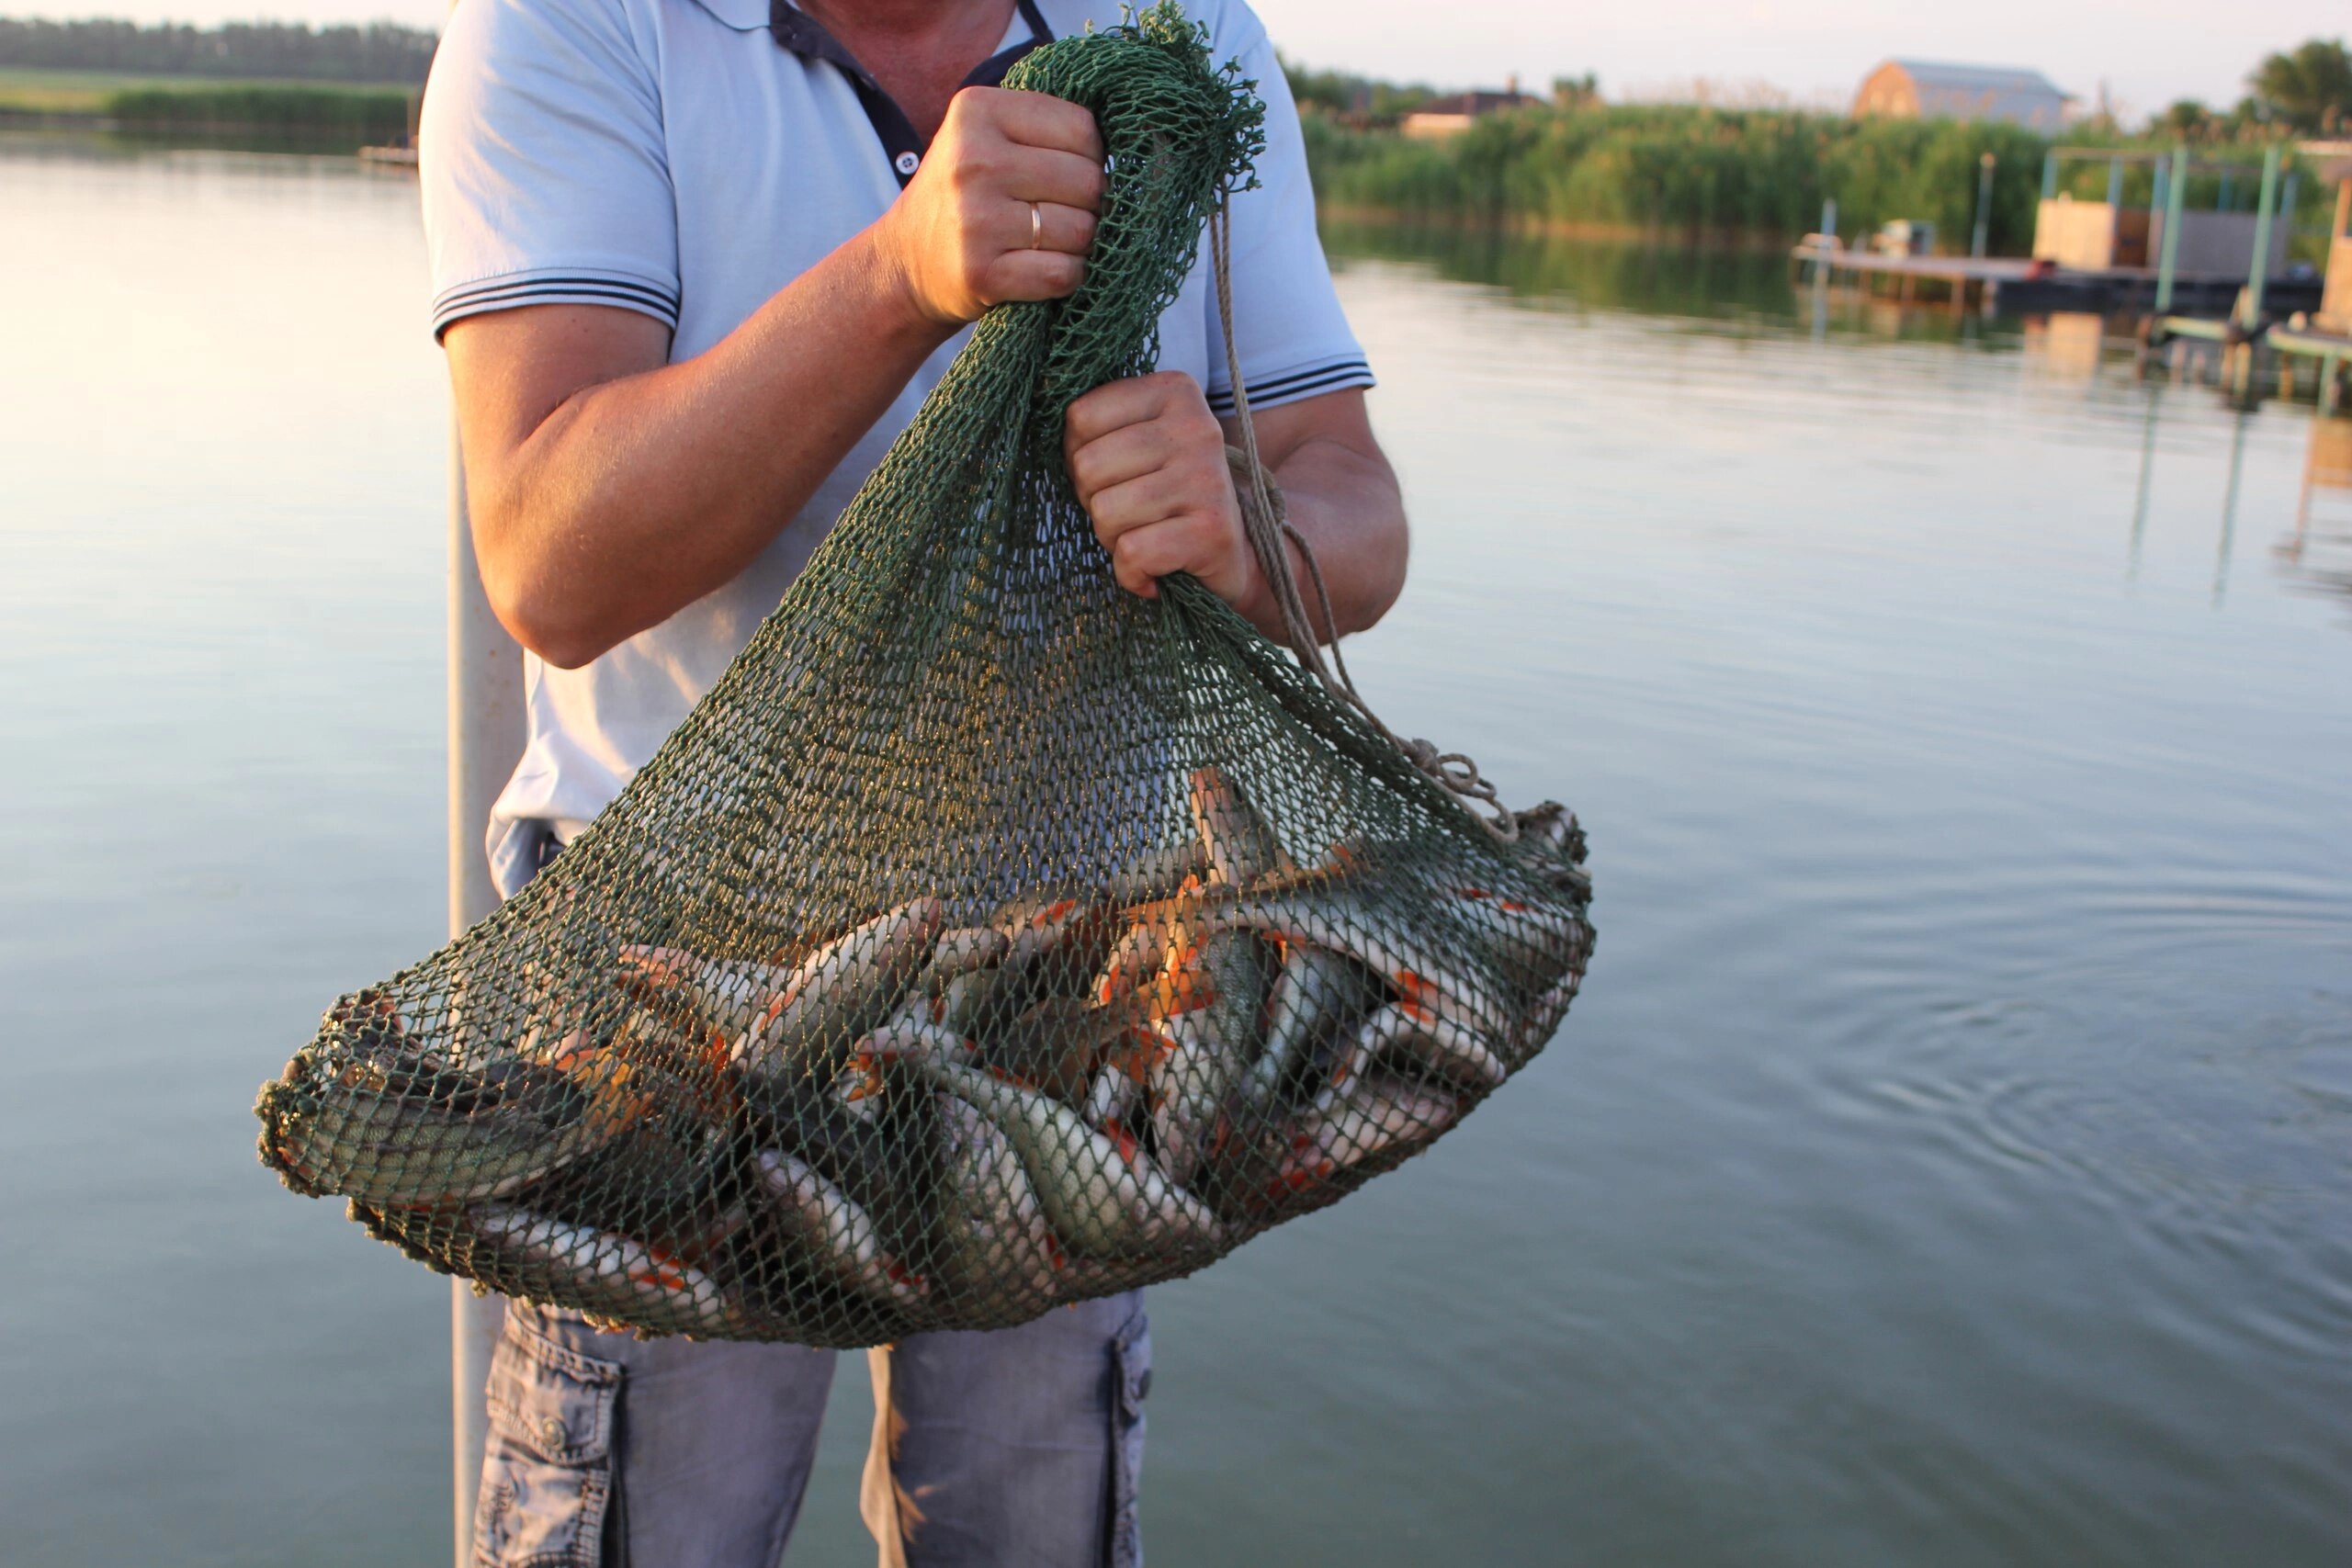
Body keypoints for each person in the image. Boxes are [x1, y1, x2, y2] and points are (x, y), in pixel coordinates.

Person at [422, 0, 1408, 1562]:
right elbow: (547, 554)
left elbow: (1352, 511)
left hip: (1069, 981)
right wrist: (894, 277)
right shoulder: (571, 21)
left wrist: (1235, 528)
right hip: (676, 987)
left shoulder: (1178, 31)